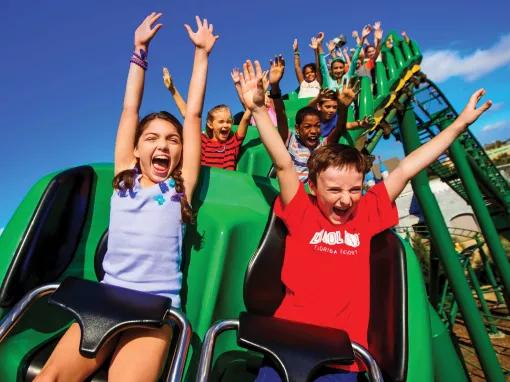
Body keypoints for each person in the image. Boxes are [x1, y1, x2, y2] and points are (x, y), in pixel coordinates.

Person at [236, 58, 491, 381]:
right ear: (313, 186)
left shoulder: (367, 212)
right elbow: (284, 164)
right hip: (287, 342)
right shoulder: (302, 210)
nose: (345, 199)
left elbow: (407, 168)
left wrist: (458, 125)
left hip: (343, 353)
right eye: (335, 190)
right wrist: (259, 109)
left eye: (354, 189)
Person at [35, 13, 218, 382]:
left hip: (154, 309)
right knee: (49, 378)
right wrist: (139, 50)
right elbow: (129, 108)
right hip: (105, 299)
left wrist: (201, 56)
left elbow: (195, 114)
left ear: (181, 151)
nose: (163, 145)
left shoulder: (180, 188)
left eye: (172, 139)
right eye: (151, 138)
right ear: (135, 149)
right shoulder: (125, 177)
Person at [268, 56, 358, 183]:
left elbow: (338, 129)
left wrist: (343, 108)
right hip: (289, 192)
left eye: (317, 126)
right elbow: (281, 114)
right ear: (298, 128)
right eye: (307, 126)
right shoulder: (290, 140)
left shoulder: (322, 147)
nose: (314, 131)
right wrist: (275, 86)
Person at [200, 102, 250, 170]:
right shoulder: (203, 142)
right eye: (221, 122)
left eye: (229, 122)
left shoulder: (232, 144)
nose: (226, 125)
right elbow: (190, 116)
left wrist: (252, 103)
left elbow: (245, 119)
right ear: (210, 124)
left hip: (226, 180)